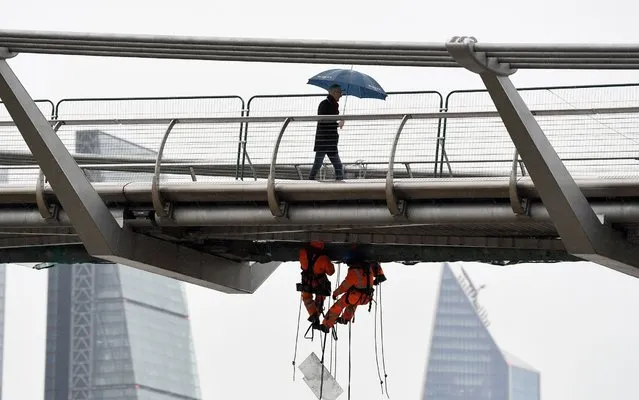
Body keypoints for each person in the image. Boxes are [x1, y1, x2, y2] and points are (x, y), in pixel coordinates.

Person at [318, 249, 386, 332]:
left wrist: (335, 293)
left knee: (338, 305)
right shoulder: (367, 267)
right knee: (352, 303)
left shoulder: (354, 271)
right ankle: (346, 318)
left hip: (357, 296)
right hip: (366, 298)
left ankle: (326, 325)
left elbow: (345, 286)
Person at [308, 84, 345, 181]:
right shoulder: (325, 104)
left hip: (329, 142)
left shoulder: (332, 104)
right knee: (319, 165)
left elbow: (327, 120)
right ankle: (309, 182)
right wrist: (337, 123)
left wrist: (338, 120)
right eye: (340, 93)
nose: (341, 95)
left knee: (336, 166)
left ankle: (309, 182)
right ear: (334, 92)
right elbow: (323, 120)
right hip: (324, 141)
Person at [297, 241, 336, 329]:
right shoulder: (323, 258)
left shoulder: (303, 252)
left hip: (306, 281)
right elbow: (331, 272)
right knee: (320, 297)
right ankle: (316, 314)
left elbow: (302, 265)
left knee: (307, 298)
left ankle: (314, 316)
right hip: (318, 283)